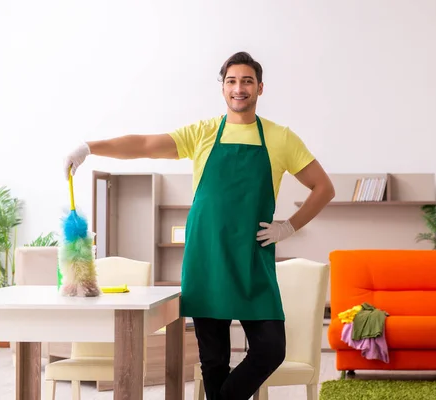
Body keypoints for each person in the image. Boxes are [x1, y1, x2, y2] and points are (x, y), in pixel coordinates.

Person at [63, 51, 335, 400]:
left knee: (270, 348)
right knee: (214, 361)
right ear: (222, 88)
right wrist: (89, 147)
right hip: (207, 259)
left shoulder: (280, 137)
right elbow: (145, 144)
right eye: (232, 81)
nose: (239, 88)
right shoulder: (204, 132)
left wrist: (289, 227)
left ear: (260, 88)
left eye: (247, 81)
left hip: (253, 259)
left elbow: (323, 188)